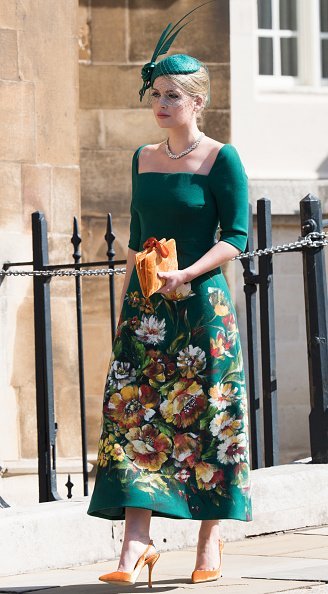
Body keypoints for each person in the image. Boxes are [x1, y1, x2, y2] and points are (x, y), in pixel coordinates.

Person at [87, 5, 252, 587]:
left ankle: (211, 538)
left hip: (203, 307)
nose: (160, 105)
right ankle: (134, 548)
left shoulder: (221, 158)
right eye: (155, 94)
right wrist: (146, 268)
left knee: (209, 417)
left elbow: (235, 238)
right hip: (147, 309)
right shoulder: (142, 158)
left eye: (172, 96)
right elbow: (133, 237)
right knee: (133, 417)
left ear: (198, 102)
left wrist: (188, 274)